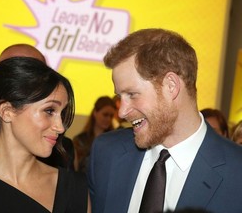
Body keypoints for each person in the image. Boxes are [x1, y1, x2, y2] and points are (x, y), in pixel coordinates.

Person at [87, 28, 242, 213]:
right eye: (120, 96)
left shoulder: (237, 172)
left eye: (132, 94)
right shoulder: (106, 153)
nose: (121, 112)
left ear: (171, 86)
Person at [0, 57, 90, 212]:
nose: (60, 127)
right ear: (7, 112)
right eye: (49, 111)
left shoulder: (75, 188)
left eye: (62, 113)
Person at [73, 96, 116, 172]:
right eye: (105, 115)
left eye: (111, 116)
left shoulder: (114, 140)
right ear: (95, 113)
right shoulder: (80, 140)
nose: (108, 119)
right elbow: (75, 169)